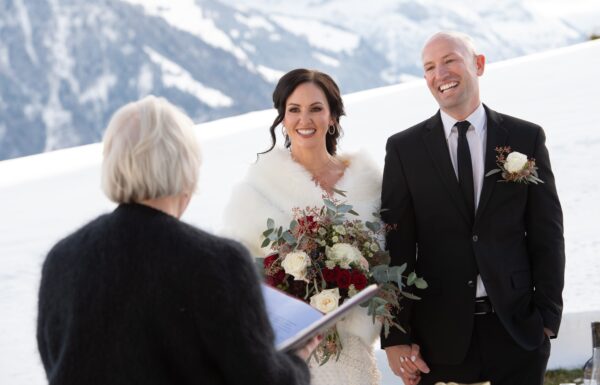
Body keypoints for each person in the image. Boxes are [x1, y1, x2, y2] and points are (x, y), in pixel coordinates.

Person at [36, 95, 318, 385]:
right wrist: (296, 363)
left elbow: (58, 366)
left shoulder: (61, 260)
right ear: (187, 172)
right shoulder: (218, 263)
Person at [380, 31, 565, 385]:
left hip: (518, 332)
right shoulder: (404, 149)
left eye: (450, 60)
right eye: (430, 67)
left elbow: (547, 233)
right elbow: (397, 248)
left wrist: (546, 320)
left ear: (478, 64)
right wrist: (396, 336)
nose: (441, 74)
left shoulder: (526, 138)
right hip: (437, 339)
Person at [222, 68, 383, 385]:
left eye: (316, 109)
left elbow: (391, 263)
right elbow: (235, 281)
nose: (304, 120)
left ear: (334, 117)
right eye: (293, 110)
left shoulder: (371, 186)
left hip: (353, 352)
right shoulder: (255, 193)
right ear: (282, 118)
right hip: (286, 355)